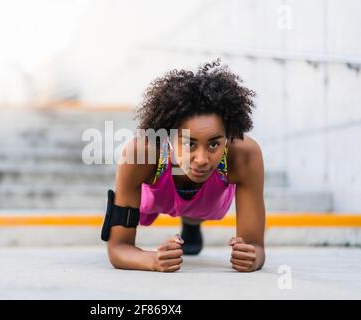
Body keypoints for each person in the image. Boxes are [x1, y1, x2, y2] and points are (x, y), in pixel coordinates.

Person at [101, 60, 265, 273]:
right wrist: (153, 260)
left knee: (197, 205)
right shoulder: (141, 153)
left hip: (208, 202)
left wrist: (253, 256)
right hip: (157, 197)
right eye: (189, 144)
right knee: (150, 203)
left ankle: (191, 224)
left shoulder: (245, 154)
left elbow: (257, 246)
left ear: (229, 135)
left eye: (214, 144)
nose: (202, 159)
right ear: (168, 136)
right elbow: (118, 248)